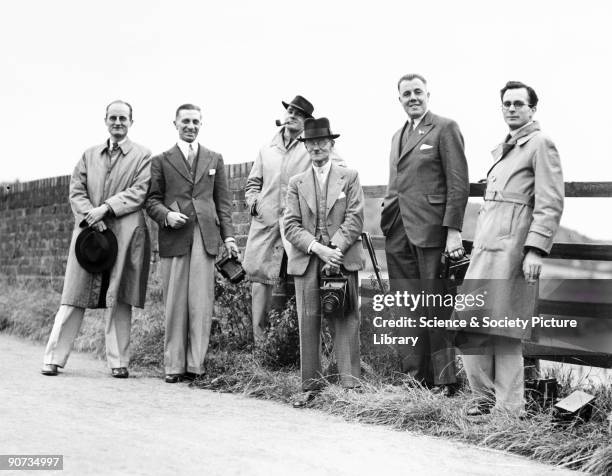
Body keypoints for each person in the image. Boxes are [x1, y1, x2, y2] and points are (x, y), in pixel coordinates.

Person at [461, 81, 564, 416]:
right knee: (470, 323)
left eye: (519, 103)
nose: (511, 108)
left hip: (512, 252)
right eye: (506, 103)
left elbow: (550, 202)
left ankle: (509, 412)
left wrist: (536, 249)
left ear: (533, 109)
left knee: (504, 332)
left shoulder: (540, 144)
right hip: (485, 250)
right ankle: (483, 399)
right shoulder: (506, 148)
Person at [41, 100, 152, 378]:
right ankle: (53, 358)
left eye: (123, 118)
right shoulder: (89, 155)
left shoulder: (142, 156)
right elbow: (76, 189)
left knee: (119, 297)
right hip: (89, 233)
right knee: (73, 295)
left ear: (131, 122)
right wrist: (92, 214)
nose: (118, 122)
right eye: (113, 118)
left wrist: (108, 207)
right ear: (105, 120)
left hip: (124, 233)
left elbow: (140, 191)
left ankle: (118, 362)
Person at [380, 73, 469, 395]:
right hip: (399, 231)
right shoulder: (397, 136)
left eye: (418, 91)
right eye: (406, 93)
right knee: (406, 305)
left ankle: (445, 380)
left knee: (436, 306)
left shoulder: (445, 128)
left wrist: (453, 232)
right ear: (400, 99)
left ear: (428, 94)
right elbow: (396, 185)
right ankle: (415, 378)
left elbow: (458, 184)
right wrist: (386, 219)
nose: (412, 97)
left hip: (432, 232)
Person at [146, 104, 238, 384]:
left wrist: (230, 237)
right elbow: (151, 201)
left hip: (205, 237)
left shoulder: (214, 158)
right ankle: (173, 365)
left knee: (201, 302)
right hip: (175, 236)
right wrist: (166, 215)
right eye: (185, 121)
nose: (190, 126)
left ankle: (196, 365)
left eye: (195, 121)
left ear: (201, 124)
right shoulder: (161, 160)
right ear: (175, 123)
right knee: (175, 302)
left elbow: (222, 203)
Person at [283, 117, 364, 407]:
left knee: (345, 318)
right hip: (309, 258)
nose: (316, 147)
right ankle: (311, 386)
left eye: (321, 142)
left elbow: (355, 218)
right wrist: (318, 248)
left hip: (340, 257)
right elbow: (290, 225)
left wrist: (335, 249)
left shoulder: (349, 176)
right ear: (305, 147)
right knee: (309, 319)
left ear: (331, 144)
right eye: (310, 143)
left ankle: (350, 386)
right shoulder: (296, 183)